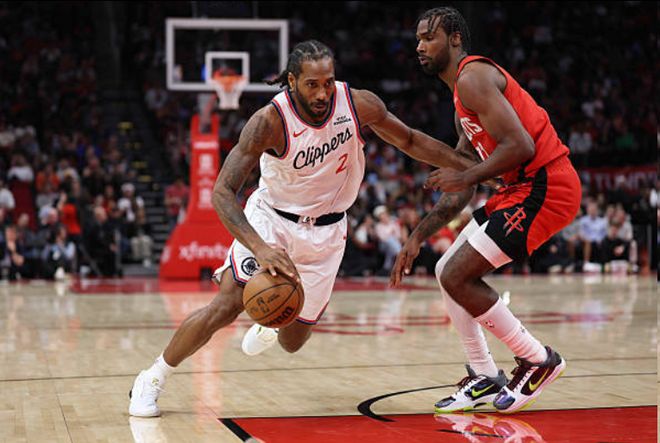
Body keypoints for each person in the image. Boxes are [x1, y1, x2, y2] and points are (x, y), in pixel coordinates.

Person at [129, 39, 475, 418]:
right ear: (292, 81)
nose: (323, 93)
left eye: (328, 82)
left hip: (327, 233)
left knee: (293, 341)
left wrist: (472, 169)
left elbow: (410, 140)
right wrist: (261, 248)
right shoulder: (269, 122)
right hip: (272, 222)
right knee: (227, 304)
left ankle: (268, 322)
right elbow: (222, 192)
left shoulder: (358, 105)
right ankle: (153, 377)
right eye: (312, 84)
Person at [390, 7, 581, 414]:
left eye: (429, 37)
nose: (420, 46)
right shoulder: (461, 100)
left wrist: (465, 175)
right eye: (418, 39)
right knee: (446, 271)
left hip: (547, 184)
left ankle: (538, 359)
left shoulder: (472, 78)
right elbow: (462, 187)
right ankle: (484, 375)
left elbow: (521, 146)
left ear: (455, 38)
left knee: (458, 275)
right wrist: (418, 236)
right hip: (520, 189)